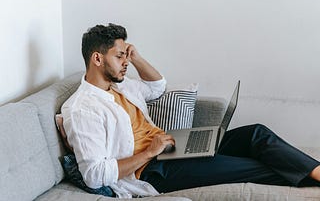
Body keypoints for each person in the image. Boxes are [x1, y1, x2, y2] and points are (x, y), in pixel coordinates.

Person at [61, 23, 320, 198]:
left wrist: (136, 57)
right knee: (253, 166)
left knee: (256, 134)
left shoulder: (121, 86)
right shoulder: (82, 109)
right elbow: (95, 175)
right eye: (120, 57)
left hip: (173, 147)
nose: (126, 62)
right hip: (153, 171)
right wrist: (151, 151)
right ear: (97, 58)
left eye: (126, 56)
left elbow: (157, 86)